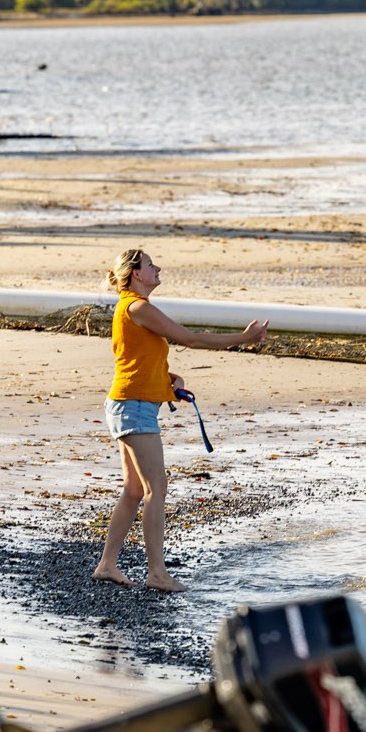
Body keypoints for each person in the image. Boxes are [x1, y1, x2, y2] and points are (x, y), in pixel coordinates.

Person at [93, 247, 269, 592]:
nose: (158, 268)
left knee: (134, 490)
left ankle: (107, 565)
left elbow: (132, 358)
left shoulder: (130, 308)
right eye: (150, 265)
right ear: (136, 274)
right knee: (155, 488)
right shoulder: (138, 306)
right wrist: (243, 338)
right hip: (133, 406)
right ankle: (156, 573)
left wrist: (168, 378)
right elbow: (190, 338)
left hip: (129, 403)